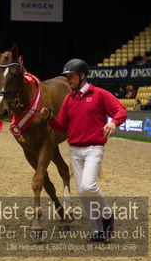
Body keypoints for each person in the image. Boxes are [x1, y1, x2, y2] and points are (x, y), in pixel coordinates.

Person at [40, 58, 127, 242]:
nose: (68, 80)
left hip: (94, 148)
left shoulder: (99, 94)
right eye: (67, 77)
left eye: (71, 76)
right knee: (82, 192)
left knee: (88, 186)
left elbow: (121, 110)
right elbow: (61, 125)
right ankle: (98, 231)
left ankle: (107, 215)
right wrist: (49, 117)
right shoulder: (69, 100)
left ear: (82, 76)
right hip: (74, 150)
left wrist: (113, 122)